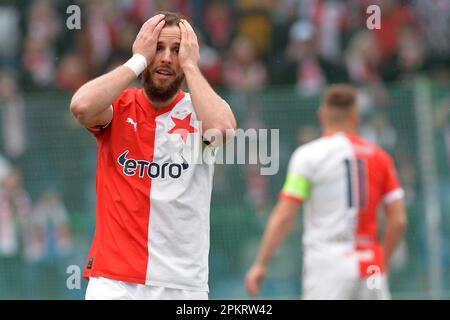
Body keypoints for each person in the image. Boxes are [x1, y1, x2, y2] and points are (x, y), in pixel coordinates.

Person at [70, 12, 236, 300]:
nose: (167, 58)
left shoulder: (200, 111)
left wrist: (192, 67)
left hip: (182, 285)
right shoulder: (119, 107)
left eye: (176, 50)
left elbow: (222, 131)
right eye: (158, 48)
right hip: (113, 281)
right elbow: (82, 105)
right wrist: (137, 61)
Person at [245, 84, 407, 300]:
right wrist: (381, 263)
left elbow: (285, 215)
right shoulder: (380, 158)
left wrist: (260, 263)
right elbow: (398, 221)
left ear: (321, 116)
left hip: (328, 263)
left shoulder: (308, 156)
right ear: (355, 117)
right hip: (371, 265)